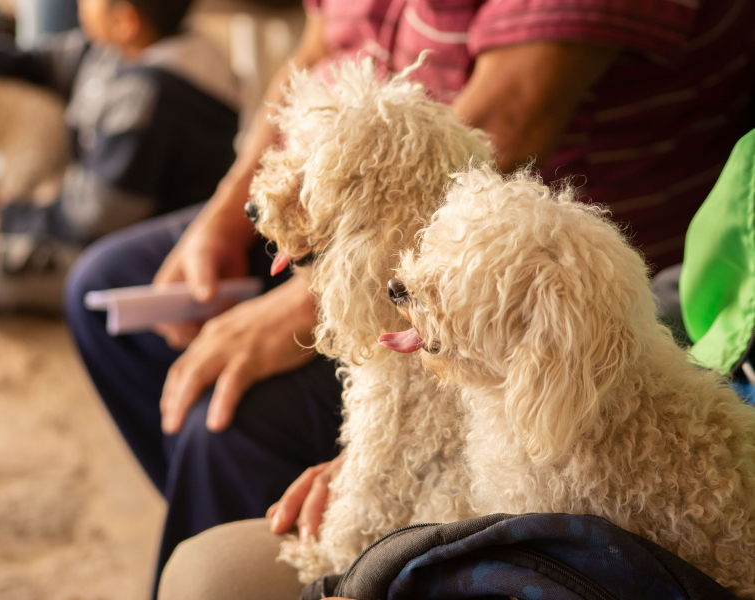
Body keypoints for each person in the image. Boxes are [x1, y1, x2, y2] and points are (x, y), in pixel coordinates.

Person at [64, 0, 755, 597]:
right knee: (102, 290)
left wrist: (299, 309)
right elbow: (315, 51)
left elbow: (511, 115)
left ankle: (290, 538)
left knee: (224, 421)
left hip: (489, 266)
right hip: (340, 191)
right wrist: (223, 209)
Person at [0, 0, 241, 310]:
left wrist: (17, 217)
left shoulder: (146, 101)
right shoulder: (120, 48)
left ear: (125, 21)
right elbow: (38, 61)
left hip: (117, 249)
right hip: (80, 186)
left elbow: (99, 218)